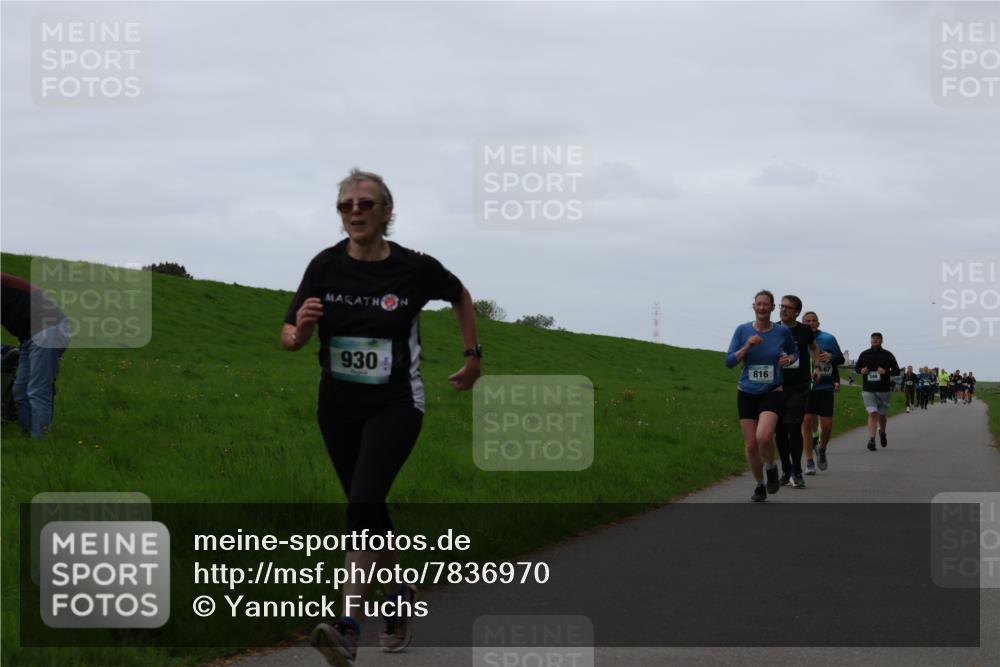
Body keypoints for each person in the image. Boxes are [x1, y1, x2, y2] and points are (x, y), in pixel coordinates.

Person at [283, 169, 482, 666]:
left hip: (396, 404)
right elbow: (288, 334)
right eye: (346, 205)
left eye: (365, 204)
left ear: (387, 212)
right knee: (367, 509)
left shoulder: (413, 269)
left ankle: (347, 625)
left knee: (363, 503)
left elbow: (460, 295)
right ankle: (396, 602)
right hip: (336, 406)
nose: (354, 211)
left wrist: (473, 355)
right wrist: (301, 331)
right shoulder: (324, 266)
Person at [726, 290, 797, 502]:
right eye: (759, 304)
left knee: (764, 436)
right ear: (754, 306)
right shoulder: (742, 330)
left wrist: (789, 359)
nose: (762, 308)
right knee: (750, 444)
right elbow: (729, 362)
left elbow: (795, 353)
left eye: (767, 304)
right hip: (746, 391)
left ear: (773, 308)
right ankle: (759, 485)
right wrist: (747, 346)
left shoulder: (782, 333)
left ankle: (771, 467)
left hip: (772, 390)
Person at [1, 273, 71, 438]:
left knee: (38, 390)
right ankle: (29, 435)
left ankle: (40, 440)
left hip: (48, 330)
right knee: (20, 391)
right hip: (30, 336)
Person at [773, 295, 819, 489]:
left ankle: (797, 471)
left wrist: (816, 367)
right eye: (782, 306)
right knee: (780, 429)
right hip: (776, 385)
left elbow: (814, 348)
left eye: (788, 308)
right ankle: (785, 469)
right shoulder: (772, 329)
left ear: (797, 312)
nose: (783, 310)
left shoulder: (804, 331)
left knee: (793, 425)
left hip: (799, 385)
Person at [801, 311, 844, 473]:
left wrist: (831, 356)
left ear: (818, 323)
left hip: (825, 387)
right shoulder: (797, 338)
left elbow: (840, 359)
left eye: (813, 321)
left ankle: (822, 448)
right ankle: (809, 462)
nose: (811, 323)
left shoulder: (828, 338)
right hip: (805, 387)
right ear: (802, 323)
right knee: (806, 421)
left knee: (826, 427)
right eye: (807, 321)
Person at [855, 332, 900, 451]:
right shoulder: (864, 354)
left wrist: (886, 372)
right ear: (870, 340)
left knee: (881, 414)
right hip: (868, 389)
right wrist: (861, 371)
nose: (875, 340)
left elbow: (897, 371)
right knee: (872, 413)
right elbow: (857, 368)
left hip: (883, 389)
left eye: (878, 339)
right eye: (873, 338)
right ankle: (871, 439)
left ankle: (883, 433)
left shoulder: (888, 355)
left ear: (882, 341)